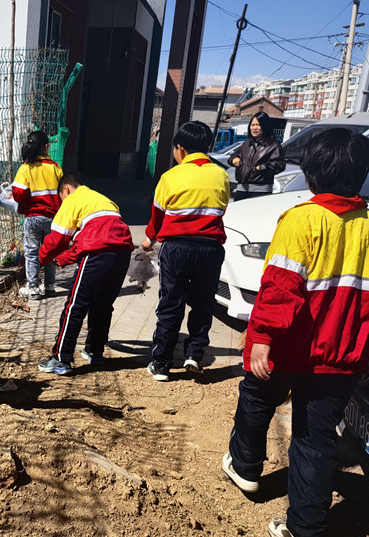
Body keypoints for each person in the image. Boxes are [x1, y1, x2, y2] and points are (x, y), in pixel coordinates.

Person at [222, 129, 369, 537]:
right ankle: (307, 533)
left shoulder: (302, 219)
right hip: (342, 355)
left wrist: (260, 338)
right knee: (315, 441)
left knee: (257, 396)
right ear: (362, 172)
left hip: (292, 348)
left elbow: (280, 288)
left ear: (311, 172)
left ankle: (245, 469)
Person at [143, 120, 230, 381]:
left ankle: (161, 363)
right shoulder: (221, 175)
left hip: (177, 248)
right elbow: (221, 210)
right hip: (211, 248)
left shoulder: (171, 177)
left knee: (171, 303)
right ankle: (194, 354)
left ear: (180, 149)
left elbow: (157, 217)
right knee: (203, 302)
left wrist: (149, 239)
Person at [36, 171, 135, 375]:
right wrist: (63, 259)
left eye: (62, 197)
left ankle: (61, 358)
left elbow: (58, 239)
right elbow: (94, 236)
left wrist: (42, 258)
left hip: (97, 253)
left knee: (75, 306)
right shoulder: (105, 201)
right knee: (102, 304)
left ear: (66, 189)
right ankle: (94, 352)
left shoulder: (74, 199)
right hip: (122, 253)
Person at [0, 130, 63, 300]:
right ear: (46, 147)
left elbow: (18, 195)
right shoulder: (55, 168)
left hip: (32, 218)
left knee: (32, 253)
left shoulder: (25, 168)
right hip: (53, 219)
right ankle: (50, 286)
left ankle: (32, 288)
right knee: (50, 252)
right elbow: (63, 193)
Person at [227, 112, 285, 201]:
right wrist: (234, 159)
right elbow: (235, 155)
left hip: (260, 191)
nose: (254, 128)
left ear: (265, 126)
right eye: (252, 125)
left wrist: (260, 168)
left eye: (258, 125)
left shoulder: (273, 145)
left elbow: (279, 164)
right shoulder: (247, 144)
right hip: (241, 189)